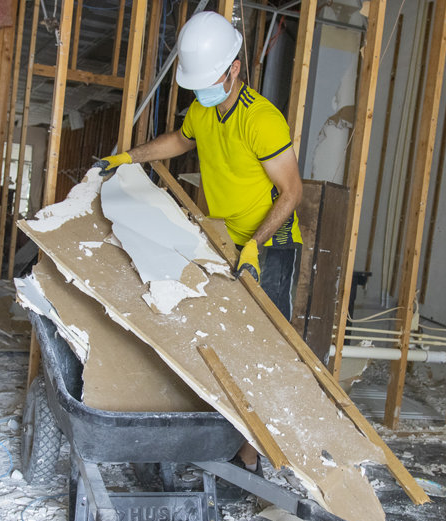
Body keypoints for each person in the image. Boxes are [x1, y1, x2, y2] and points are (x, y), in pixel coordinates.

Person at [95, 11, 303, 476]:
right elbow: (179, 141)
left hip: (271, 242)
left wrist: (255, 246)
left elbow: (291, 193)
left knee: (264, 348)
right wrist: (130, 156)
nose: (204, 89)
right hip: (226, 236)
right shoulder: (204, 110)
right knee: (225, 337)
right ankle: (229, 437)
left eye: (211, 79)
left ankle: (252, 458)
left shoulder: (263, 121)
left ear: (234, 68)